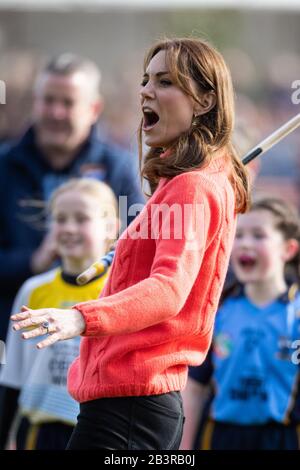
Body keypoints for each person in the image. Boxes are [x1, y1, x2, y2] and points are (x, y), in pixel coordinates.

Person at [10, 37, 250, 450]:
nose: (145, 90)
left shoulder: (193, 185)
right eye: (145, 79)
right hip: (130, 405)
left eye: (165, 81)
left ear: (205, 100)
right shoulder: (187, 181)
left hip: (131, 407)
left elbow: (169, 290)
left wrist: (81, 318)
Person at [0, 53, 144, 342]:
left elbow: (139, 248)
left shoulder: (118, 168)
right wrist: (32, 262)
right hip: (14, 333)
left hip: (94, 334)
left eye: (67, 103)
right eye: (48, 100)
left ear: (93, 108)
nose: (56, 113)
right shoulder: (4, 167)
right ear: (35, 103)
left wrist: (92, 265)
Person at [0, 178, 119, 450]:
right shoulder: (33, 290)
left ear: (111, 228)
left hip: (99, 430)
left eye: (81, 219)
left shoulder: (119, 292)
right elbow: (13, 377)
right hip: (38, 431)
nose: (68, 228)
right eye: (60, 219)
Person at [181, 197, 300, 450]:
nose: (245, 244)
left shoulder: (296, 313)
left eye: (259, 235)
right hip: (221, 437)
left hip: (282, 437)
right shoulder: (218, 310)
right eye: (239, 235)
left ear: (288, 249)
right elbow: (193, 388)